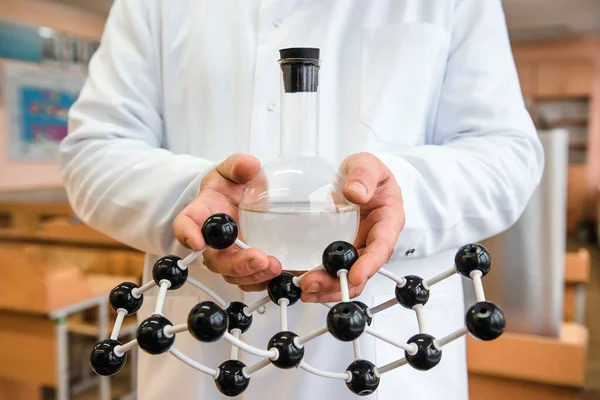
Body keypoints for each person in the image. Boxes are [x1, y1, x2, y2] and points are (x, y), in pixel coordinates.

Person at [59, 0, 544, 399]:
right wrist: (195, 200)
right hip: (202, 359)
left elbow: (507, 155)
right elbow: (92, 153)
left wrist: (406, 191)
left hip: (388, 358)